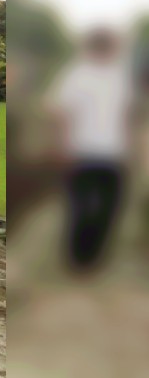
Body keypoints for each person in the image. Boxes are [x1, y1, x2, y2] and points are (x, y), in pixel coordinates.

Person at [47, 28, 133, 271]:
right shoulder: (76, 75)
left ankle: (89, 257)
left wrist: (130, 149)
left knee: (109, 208)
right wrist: (62, 145)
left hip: (113, 154)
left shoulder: (119, 77)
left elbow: (126, 115)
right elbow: (60, 112)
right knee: (82, 207)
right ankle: (78, 257)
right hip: (80, 153)